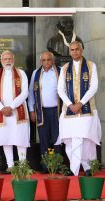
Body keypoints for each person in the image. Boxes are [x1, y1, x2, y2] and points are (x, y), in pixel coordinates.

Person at [57, 41, 102, 176]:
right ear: (69, 52)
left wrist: (80, 103)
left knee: (87, 139)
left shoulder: (90, 66)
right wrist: (71, 105)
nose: (75, 52)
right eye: (72, 50)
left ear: (82, 50)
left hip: (87, 110)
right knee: (70, 139)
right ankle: (73, 168)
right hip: (69, 111)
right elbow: (60, 89)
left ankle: (88, 167)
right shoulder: (64, 68)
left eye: (77, 49)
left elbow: (93, 87)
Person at [0, 50, 30, 171]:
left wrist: (11, 107)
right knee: (6, 138)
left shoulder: (21, 73)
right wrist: (2, 108)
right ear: (1, 61)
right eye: (5, 59)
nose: (8, 61)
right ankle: (10, 165)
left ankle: (22, 165)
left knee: (20, 138)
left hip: (17, 111)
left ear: (13, 60)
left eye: (10, 59)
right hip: (1, 112)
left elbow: (25, 92)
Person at [28, 51, 62, 173]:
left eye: (48, 60)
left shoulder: (60, 71)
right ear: (41, 61)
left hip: (57, 111)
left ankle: (58, 166)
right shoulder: (35, 73)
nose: (46, 62)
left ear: (52, 60)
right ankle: (45, 166)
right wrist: (32, 110)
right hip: (41, 112)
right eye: (43, 60)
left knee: (58, 138)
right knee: (44, 139)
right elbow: (31, 93)